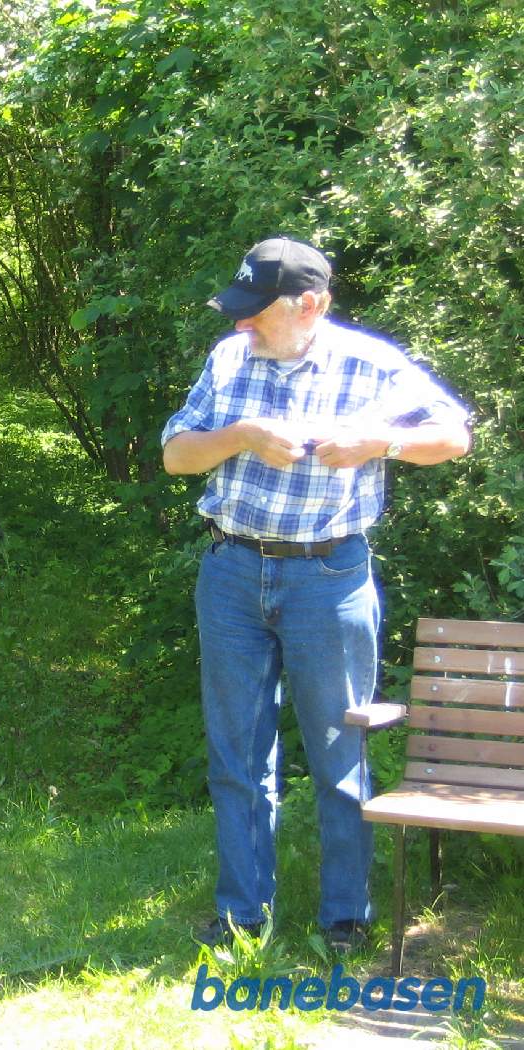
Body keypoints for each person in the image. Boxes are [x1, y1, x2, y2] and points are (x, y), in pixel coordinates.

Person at [161, 236, 471, 951]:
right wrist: (241, 435)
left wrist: (380, 443)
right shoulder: (228, 358)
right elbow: (177, 455)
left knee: (339, 750)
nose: (241, 322)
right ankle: (242, 915)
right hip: (232, 571)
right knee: (237, 754)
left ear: (312, 305)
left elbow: (453, 436)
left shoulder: (371, 364)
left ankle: (345, 918)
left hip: (329, 578)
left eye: (256, 310)